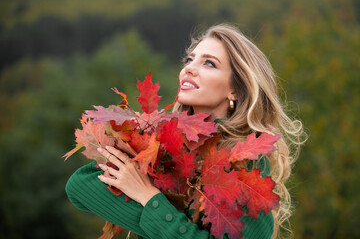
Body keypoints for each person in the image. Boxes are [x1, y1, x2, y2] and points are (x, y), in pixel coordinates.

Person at [66, 24, 305, 238]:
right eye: (189, 60)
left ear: (236, 90)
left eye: (209, 63)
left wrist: (149, 198)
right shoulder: (161, 143)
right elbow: (80, 185)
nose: (189, 69)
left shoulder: (246, 159)